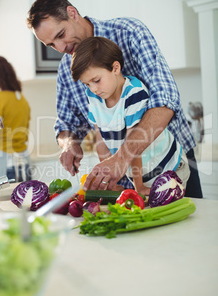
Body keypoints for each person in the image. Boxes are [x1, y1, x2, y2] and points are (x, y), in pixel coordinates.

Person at [26, 0, 202, 198]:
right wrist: (69, 145)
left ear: (72, 13)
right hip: (123, 178)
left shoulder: (129, 32)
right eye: (51, 45)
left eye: (60, 35)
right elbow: (67, 124)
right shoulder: (67, 69)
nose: (61, 48)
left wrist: (121, 158)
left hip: (169, 163)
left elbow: (166, 99)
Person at [71, 36, 190, 195]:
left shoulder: (134, 93)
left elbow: (135, 142)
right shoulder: (93, 97)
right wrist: (109, 180)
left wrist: (138, 187)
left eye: (96, 80)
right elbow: (100, 140)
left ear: (115, 68)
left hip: (170, 169)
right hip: (142, 174)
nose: (93, 89)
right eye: (87, 84)